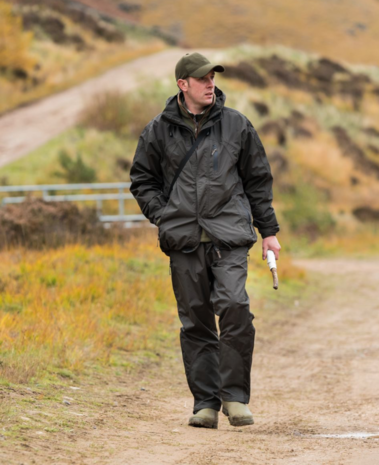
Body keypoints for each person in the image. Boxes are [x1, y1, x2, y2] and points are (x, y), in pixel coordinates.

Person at [130, 52, 281, 429]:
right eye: (202, 79)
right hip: (183, 240)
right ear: (183, 84)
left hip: (228, 236)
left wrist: (270, 232)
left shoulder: (237, 126)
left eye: (212, 77)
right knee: (196, 321)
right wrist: (164, 216)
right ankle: (205, 404)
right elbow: (142, 180)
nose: (210, 83)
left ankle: (234, 397)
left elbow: (257, 180)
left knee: (233, 306)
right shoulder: (158, 130)